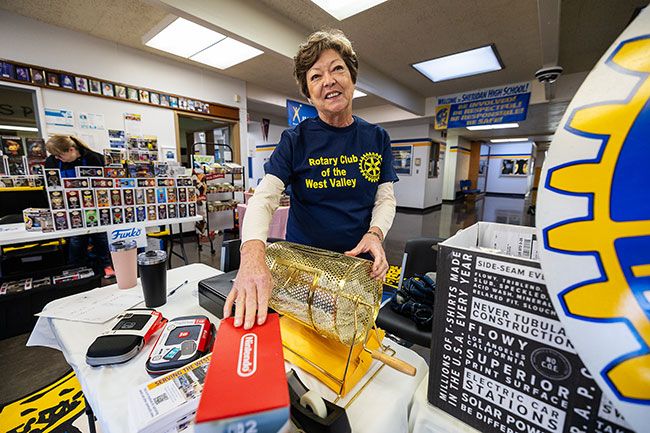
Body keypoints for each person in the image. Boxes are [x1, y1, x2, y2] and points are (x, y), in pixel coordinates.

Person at [224, 29, 398, 330]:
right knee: (300, 344)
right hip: (301, 271)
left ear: (352, 79)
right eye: (316, 76)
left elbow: (385, 198)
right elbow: (264, 199)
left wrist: (375, 234)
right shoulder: (295, 140)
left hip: (356, 269)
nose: (328, 81)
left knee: (349, 338)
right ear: (308, 93)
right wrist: (252, 254)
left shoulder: (377, 138)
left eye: (337, 69)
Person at [45, 135, 115, 278]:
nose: (57, 159)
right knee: (77, 240)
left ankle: (106, 265)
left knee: (100, 236)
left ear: (71, 150)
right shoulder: (52, 161)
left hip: (94, 204)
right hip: (68, 207)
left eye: (60, 155)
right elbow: (49, 185)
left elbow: (106, 185)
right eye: (55, 156)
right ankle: (76, 269)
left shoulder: (93, 158)